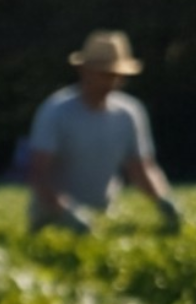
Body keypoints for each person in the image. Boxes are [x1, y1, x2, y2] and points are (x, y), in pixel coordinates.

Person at [26, 30, 182, 235]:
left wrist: (163, 198)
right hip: (52, 220)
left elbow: (140, 167)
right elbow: (39, 173)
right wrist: (67, 211)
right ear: (84, 71)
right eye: (104, 74)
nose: (110, 82)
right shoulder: (56, 111)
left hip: (101, 217)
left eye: (115, 76)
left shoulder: (129, 113)